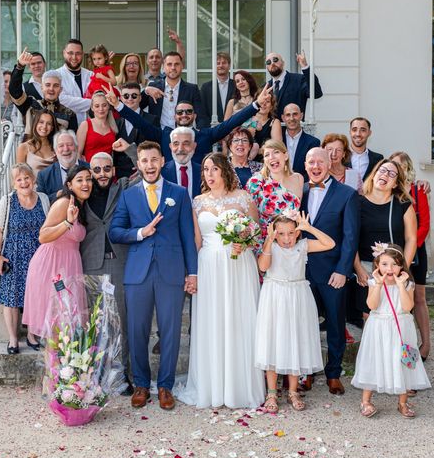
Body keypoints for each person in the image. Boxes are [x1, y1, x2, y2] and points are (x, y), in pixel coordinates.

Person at [109, 141, 197, 411]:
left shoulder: (179, 194)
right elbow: (114, 231)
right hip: (138, 273)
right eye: (144, 161)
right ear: (138, 164)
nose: (149, 165)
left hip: (170, 271)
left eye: (154, 160)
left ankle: (165, 386)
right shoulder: (128, 195)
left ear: (162, 162)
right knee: (137, 331)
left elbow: (187, 237)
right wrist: (140, 233)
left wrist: (192, 272)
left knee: (170, 331)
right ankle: (141, 384)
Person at [178, 152, 264, 409]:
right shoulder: (197, 202)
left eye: (214, 169)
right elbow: (196, 241)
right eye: (205, 170)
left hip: (239, 265)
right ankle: (213, 386)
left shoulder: (243, 197)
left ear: (225, 171)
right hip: (209, 266)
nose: (209, 174)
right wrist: (191, 272)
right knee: (213, 322)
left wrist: (244, 243)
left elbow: (256, 230)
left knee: (240, 320)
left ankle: (240, 386)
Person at [255, 211, 335, 413]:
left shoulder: (303, 246)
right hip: (274, 295)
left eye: (291, 233)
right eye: (281, 233)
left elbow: (329, 244)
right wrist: (269, 239)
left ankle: (292, 390)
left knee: (294, 340)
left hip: (298, 295)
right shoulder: (271, 246)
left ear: (297, 233)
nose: (286, 238)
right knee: (273, 340)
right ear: (275, 232)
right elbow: (263, 267)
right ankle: (272, 392)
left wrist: (308, 228)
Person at [299, 148, 360, 395]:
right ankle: (307, 372)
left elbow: (350, 237)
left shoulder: (346, 194)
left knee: (335, 323)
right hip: (301, 272)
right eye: (311, 162)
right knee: (305, 324)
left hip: (332, 272)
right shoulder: (298, 192)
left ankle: (334, 373)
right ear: (305, 165)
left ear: (329, 162)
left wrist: (343, 270)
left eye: (320, 162)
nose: (315, 166)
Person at [104, 82, 273, 165]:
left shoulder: (205, 135)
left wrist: (256, 105)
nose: (184, 115)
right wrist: (118, 105)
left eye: (188, 112)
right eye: (180, 112)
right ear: (174, 116)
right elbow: (140, 122)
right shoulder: (164, 135)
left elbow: (230, 123)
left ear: (194, 115)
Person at [351, 243, 431, 418]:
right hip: (378, 325)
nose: (390, 268)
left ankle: (402, 402)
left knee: (401, 362)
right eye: (385, 264)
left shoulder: (408, 284)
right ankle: (366, 401)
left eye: (394, 264)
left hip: (400, 327)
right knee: (375, 360)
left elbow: (407, 306)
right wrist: (378, 285)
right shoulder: (373, 282)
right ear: (377, 265)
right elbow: (371, 305)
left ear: (401, 266)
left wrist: (401, 286)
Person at [79, 152, 133, 395]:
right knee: (96, 322)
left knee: (120, 320)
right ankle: (98, 374)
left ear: (113, 170)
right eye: (97, 169)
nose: (101, 173)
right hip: (91, 263)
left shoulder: (122, 187)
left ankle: (122, 376)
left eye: (106, 169)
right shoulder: (82, 193)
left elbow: (144, 169)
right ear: (91, 171)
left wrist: (129, 149)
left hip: (119, 262)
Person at [23, 165, 92, 339]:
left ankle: (66, 365)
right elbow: (43, 235)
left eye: (88, 179)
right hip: (51, 266)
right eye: (80, 180)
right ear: (69, 185)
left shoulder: (82, 205)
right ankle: (57, 365)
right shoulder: (63, 203)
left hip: (69, 265)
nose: (85, 184)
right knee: (57, 324)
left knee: (69, 324)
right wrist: (67, 223)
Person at [0, 163, 50, 354]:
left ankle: (33, 335)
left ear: (33, 180)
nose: (24, 182)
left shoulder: (43, 198)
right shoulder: (7, 201)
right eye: (19, 179)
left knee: (36, 297)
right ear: (14, 183)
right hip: (13, 256)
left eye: (27, 178)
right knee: (11, 299)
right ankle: (13, 339)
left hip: (38, 255)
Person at [354, 159, 417, 318]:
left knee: (398, 313)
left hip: (395, 268)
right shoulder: (357, 202)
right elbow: (350, 239)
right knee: (371, 315)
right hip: (367, 268)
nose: (385, 175)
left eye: (392, 174)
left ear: (396, 183)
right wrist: (359, 269)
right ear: (374, 175)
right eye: (382, 170)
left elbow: (411, 239)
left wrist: (402, 267)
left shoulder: (403, 204)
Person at [390, 151, 431, 360]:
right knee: (398, 298)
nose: (396, 170)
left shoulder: (417, 190)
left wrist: (412, 248)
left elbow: (424, 224)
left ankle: (425, 344)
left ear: (407, 168)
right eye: (392, 166)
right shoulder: (389, 191)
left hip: (416, 251)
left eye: (400, 166)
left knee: (418, 298)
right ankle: (404, 343)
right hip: (395, 253)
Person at [246, 139, 303, 248]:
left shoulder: (298, 178)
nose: (271, 157)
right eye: (267, 155)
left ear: (285, 156)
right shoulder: (256, 182)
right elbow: (250, 219)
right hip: (266, 244)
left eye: (276, 152)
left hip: (290, 243)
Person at [11, 49, 78, 132]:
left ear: (60, 90)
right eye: (47, 85)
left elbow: (71, 141)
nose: (51, 89)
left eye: (56, 86)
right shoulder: (30, 106)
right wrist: (19, 66)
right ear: (42, 88)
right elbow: (14, 92)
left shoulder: (69, 114)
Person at [146, 51, 208, 130]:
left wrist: (202, 136)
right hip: (158, 136)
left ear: (182, 66)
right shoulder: (153, 87)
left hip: (183, 136)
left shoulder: (192, 89)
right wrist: (146, 90)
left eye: (176, 64)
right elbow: (137, 106)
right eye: (169, 64)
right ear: (163, 67)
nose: (173, 67)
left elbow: (201, 117)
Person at [112, 82, 160, 180]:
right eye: (126, 96)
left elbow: (155, 149)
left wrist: (141, 167)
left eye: (134, 96)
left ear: (140, 98)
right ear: (120, 98)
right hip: (120, 177)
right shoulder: (115, 122)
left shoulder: (152, 119)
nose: (130, 99)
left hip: (144, 174)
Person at [264, 51, 322, 118]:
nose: (272, 63)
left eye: (275, 60)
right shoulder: (265, 87)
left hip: (294, 127)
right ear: (267, 67)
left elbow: (316, 94)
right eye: (268, 62)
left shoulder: (299, 80)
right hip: (272, 128)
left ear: (283, 63)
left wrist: (305, 66)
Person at [37, 130, 90, 202]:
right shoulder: (44, 175)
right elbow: (40, 202)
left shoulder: (90, 169)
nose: (66, 149)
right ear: (55, 151)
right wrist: (57, 195)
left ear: (77, 147)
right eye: (61, 146)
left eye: (69, 144)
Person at [57, 39, 92, 126]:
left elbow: (101, 100)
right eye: (70, 53)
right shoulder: (56, 76)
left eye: (78, 53)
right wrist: (92, 103)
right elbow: (62, 100)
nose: (74, 57)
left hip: (90, 127)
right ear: (64, 53)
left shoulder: (91, 75)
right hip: (66, 128)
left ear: (82, 54)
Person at [76, 91, 118, 161]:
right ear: (92, 108)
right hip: (89, 168)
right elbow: (77, 153)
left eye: (104, 105)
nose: (101, 109)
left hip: (107, 168)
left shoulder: (113, 126)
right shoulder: (85, 125)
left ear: (108, 106)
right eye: (97, 106)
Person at [161, 127, 201, 198]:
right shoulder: (161, 173)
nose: (180, 149)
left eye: (186, 144)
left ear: (194, 146)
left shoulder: (203, 172)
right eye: (176, 144)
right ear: (170, 146)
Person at [282, 103, 320, 179]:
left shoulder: (313, 142)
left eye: (295, 114)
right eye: (288, 115)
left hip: (303, 186)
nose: (292, 118)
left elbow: (313, 169)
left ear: (301, 116)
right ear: (283, 118)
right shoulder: (279, 140)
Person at [201, 52, 235, 123]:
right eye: (218, 63)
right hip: (212, 129)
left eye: (224, 63)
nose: (221, 65)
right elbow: (202, 112)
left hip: (234, 129)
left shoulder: (236, 85)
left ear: (229, 65)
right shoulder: (206, 87)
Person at [348, 117, 383, 182]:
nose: (358, 134)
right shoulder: (341, 156)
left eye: (363, 130)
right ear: (350, 132)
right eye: (354, 130)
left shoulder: (378, 159)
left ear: (369, 133)